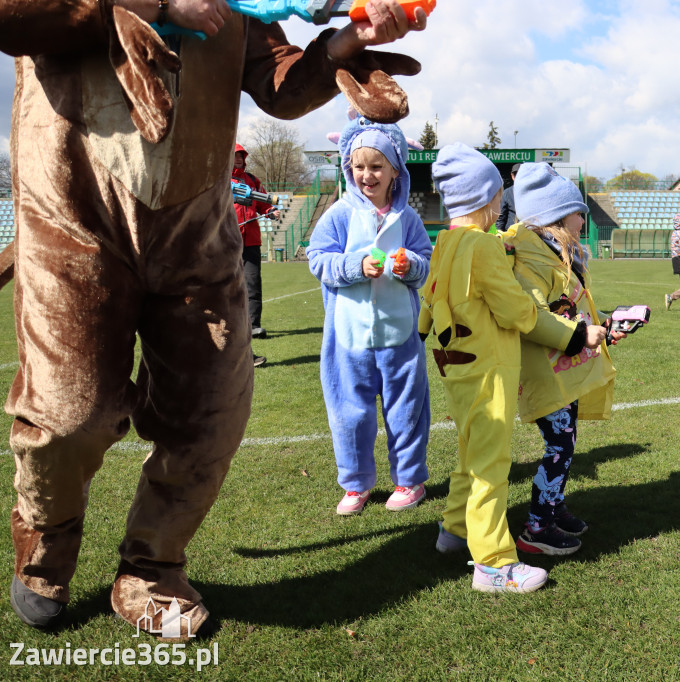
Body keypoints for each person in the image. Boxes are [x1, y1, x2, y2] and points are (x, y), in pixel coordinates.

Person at [0, 0, 426, 636]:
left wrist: (340, 47)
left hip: (195, 238)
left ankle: (152, 563)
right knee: (68, 413)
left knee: (211, 414)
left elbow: (274, 80)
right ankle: (47, 539)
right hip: (75, 221)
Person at [419, 144, 602, 593]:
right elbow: (520, 313)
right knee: (490, 465)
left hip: (454, 369)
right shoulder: (481, 247)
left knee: (469, 453)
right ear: (488, 201)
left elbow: (427, 301)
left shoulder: (444, 240)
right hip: (487, 371)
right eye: (499, 196)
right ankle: (494, 564)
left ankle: (454, 531)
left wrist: (421, 333)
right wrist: (575, 335)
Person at [307, 119, 433, 516]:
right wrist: (356, 266)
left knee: (407, 410)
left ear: (396, 169)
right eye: (358, 167)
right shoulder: (339, 214)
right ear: (348, 169)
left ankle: (409, 480)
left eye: (376, 166)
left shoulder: (408, 219)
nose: (367, 175)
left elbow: (426, 264)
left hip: (401, 336)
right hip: (349, 337)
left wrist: (408, 264)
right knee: (350, 413)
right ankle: (355, 484)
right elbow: (317, 259)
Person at [502, 162, 622, 557]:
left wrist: (602, 325)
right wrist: (580, 335)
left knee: (565, 442)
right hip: (544, 370)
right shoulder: (531, 259)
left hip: (561, 367)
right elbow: (534, 316)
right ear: (554, 216)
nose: (583, 218)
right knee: (559, 446)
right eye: (577, 212)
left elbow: (567, 306)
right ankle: (536, 526)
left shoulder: (555, 253)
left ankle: (553, 509)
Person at [233, 143, 280, 367]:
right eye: (235, 156)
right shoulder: (219, 181)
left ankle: (254, 326)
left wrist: (270, 211)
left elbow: (262, 202)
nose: (239, 160)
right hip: (227, 241)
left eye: (242, 156)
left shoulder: (251, 180)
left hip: (251, 240)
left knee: (252, 283)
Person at [494, 163, 521, 231]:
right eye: (516, 175)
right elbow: (501, 216)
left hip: (529, 233)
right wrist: (499, 233)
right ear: (512, 176)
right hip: (511, 234)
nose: (518, 177)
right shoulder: (507, 193)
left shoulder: (533, 192)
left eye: (521, 175)